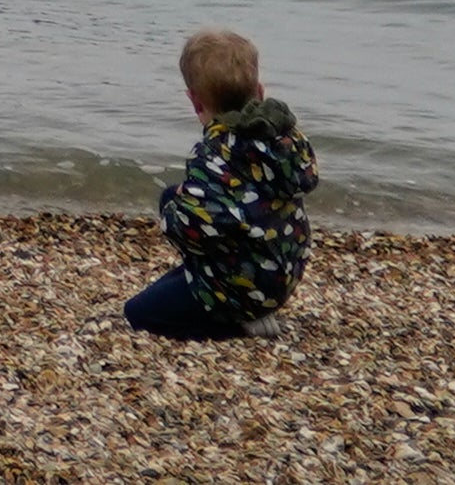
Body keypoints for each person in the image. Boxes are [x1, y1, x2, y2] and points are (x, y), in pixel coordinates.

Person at [126, 26, 318, 338]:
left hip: (244, 286)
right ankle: (237, 299)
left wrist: (170, 220)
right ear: (259, 91)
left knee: (137, 313)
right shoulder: (284, 141)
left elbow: (195, 226)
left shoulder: (215, 154)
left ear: (195, 102)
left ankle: (234, 322)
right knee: (171, 195)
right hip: (282, 271)